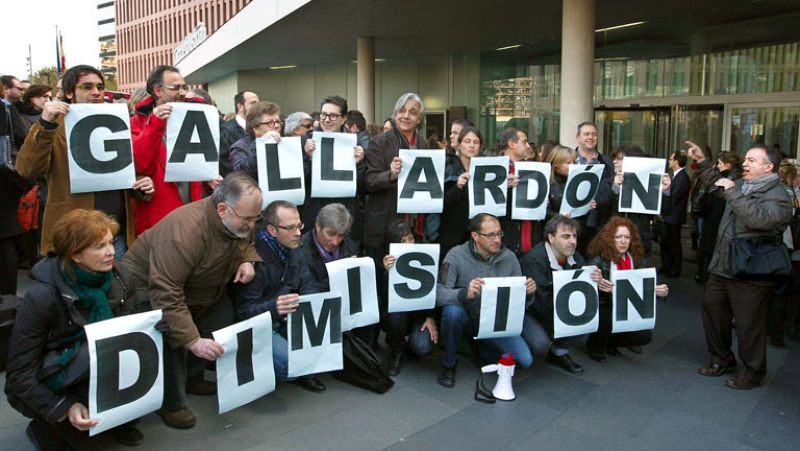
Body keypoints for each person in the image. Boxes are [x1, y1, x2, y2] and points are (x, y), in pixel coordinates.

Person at [123, 173, 261, 428]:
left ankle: (192, 376)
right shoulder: (186, 230)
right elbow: (166, 291)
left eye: (256, 218)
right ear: (222, 209)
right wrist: (192, 340)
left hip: (199, 285)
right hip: (146, 287)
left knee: (222, 319)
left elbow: (245, 239)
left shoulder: (236, 218)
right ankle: (171, 403)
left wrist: (247, 259)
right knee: (172, 335)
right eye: (248, 219)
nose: (252, 225)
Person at [4, 209, 144, 448]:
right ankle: (44, 427)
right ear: (76, 256)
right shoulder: (42, 297)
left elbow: (127, 328)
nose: (111, 252)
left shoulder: (120, 276)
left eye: (111, 243)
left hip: (98, 359)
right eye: (100, 246)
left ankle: (117, 419)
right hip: (58, 374)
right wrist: (63, 406)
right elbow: (19, 375)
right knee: (77, 439)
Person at [16, 65, 154, 257]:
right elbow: (27, 169)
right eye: (87, 87)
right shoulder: (53, 125)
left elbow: (121, 172)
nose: (96, 92)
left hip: (116, 233)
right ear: (68, 93)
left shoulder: (115, 121)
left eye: (100, 86)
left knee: (117, 287)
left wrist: (141, 183)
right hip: (75, 236)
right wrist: (46, 123)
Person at [689, 141, 792, 390]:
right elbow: (716, 181)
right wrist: (703, 160)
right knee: (712, 311)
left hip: (751, 270)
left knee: (749, 324)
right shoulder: (742, 184)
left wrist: (733, 191)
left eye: (752, 161)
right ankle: (721, 358)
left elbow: (758, 219)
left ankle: (752, 371)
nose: (745, 163)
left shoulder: (780, 196)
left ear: (769, 167)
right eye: (745, 159)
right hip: (723, 265)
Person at [233, 200, 327, 392]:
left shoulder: (294, 248)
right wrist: (274, 308)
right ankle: (262, 367)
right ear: (272, 230)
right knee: (286, 366)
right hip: (262, 324)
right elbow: (242, 313)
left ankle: (302, 369)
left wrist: (311, 310)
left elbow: (308, 284)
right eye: (290, 227)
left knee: (325, 337)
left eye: (299, 226)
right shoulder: (254, 262)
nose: (299, 233)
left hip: (286, 316)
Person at [436, 213, 537, 387]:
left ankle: (480, 349)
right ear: (475, 236)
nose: (497, 239)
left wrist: (528, 293)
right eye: (490, 235)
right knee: (452, 313)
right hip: (468, 316)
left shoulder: (510, 258)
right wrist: (463, 294)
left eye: (499, 234)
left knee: (524, 361)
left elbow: (518, 304)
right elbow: (439, 294)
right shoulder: (455, 255)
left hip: (495, 322)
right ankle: (449, 364)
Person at [129, 65, 218, 236]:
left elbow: (196, 161)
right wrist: (155, 124)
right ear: (157, 91)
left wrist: (209, 177)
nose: (182, 92)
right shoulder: (136, 124)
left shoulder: (194, 117)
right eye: (175, 87)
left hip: (192, 215)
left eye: (184, 87)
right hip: (159, 219)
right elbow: (141, 166)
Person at [521, 215, 602, 374]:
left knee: (584, 323)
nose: (572, 241)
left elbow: (585, 297)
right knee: (539, 344)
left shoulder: (577, 259)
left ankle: (558, 353)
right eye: (565, 236)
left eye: (574, 236)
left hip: (557, 310)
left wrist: (595, 282)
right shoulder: (533, 259)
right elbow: (540, 304)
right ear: (551, 238)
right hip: (532, 312)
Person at [585, 216, 669, 362]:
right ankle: (595, 346)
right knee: (607, 319)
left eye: (627, 237)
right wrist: (597, 283)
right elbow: (584, 288)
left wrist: (657, 291)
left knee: (645, 335)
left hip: (627, 306)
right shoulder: (598, 259)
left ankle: (613, 342)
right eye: (618, 237)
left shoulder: (637, 260)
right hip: (604, 305)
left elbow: (641, 287)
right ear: (610, 238)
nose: (623, 241)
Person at [364, 93, 430, 262]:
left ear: (419, 118)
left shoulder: (423, 144)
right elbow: (369, 181)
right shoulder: (379, 142)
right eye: (402, 111)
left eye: (412, 112)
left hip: (414, 223)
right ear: (395, 114)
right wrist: (391, 174)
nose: (406, 116)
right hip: (385, 224)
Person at [301, 95, 366, 237]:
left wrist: (360, 163)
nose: (326, 120)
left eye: (333, 116)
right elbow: (300, 182)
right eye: (323, 115)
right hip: (316, 212)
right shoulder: (307, 141)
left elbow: (362, 186)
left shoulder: (355, 144)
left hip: (346, 213)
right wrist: (309, 158)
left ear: (344, 119)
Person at [380, 220, 437, 375]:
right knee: (395, 314)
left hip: (418, 316)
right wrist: (386, 273)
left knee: (422, 347)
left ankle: (403, 342)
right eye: (402, 241)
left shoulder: (425, 257)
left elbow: (434, 290)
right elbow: (383, 300)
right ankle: (397, 351)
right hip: (395, 315)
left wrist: (430, 317)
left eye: (410, 239)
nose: (408, 244)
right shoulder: (386, 261)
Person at [695, 151, 741, 284]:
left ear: (728, 165)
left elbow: (706, 202)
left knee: (709, 257)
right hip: (725, 227)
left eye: (720, 163)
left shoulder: (722, 182)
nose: (717, 166)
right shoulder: (739, 182)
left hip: (714, 224)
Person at [439, 125, 483, 258]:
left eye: (476, 142)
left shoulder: (487, 167)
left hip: (478, 234)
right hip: (452, 235)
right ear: (459, 144)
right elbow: (441, 204)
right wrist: (457, 186)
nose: (472, 146)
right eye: (467, 141)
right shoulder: (448, 166)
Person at [495, 127, 538, 256]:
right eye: (524, 142)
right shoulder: (495, 168)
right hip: (505, 235)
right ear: (511, 144)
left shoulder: (533, 168)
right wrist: (503, 188)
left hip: (530, 235)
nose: (528, 146)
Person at [574, 122, 615, 252]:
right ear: (578, 137)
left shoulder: (607, 162)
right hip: (573, 223)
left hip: (600, 223)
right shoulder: (568, 160)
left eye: (594, 134)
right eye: (586, 134)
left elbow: (610, 192)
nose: (591, 137)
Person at [229, 101, 283, 182]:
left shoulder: (284, 144)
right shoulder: (240, 147)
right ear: (255, 128)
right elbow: (243, 175)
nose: (277, 126)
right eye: (270, 122)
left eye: (278, 121)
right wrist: (261, 144)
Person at [660, 150, 690, 277]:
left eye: (671, 159)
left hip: (674, 216)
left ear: (676, 162)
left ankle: (675, 268)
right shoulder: (675, 176)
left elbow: (674, 198)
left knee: (674, 243)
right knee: (666, 242)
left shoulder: (682, 178)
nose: (669, 161)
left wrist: (665, 191)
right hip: (670, 216)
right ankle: (667, 266)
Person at [220, 91, 260, 176]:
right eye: (253, 103)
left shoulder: (262, 128)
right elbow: (225, 164)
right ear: (240, 106)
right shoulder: (227, 130)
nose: (258, 107)